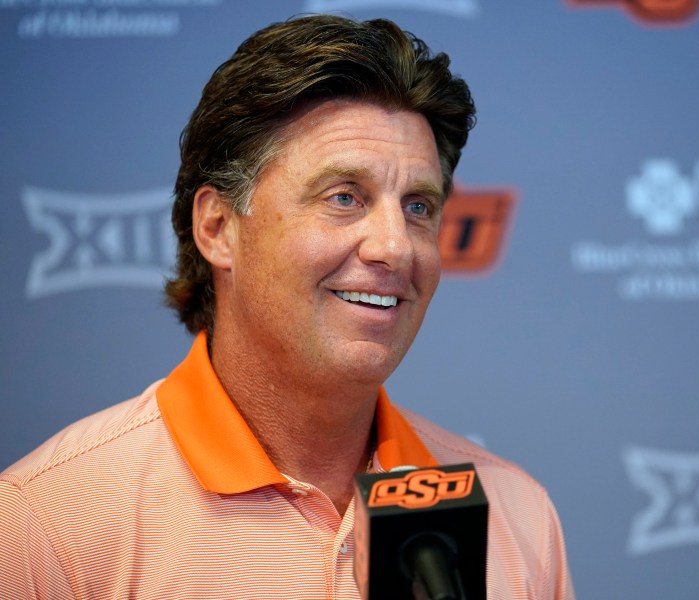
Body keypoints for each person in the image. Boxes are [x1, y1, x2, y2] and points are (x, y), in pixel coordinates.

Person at [0, 14, 574, 599]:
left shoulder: (517, 517)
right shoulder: (46, 523)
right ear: (218, 227)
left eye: (419, 207)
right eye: (344, 197)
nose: (396, 246)